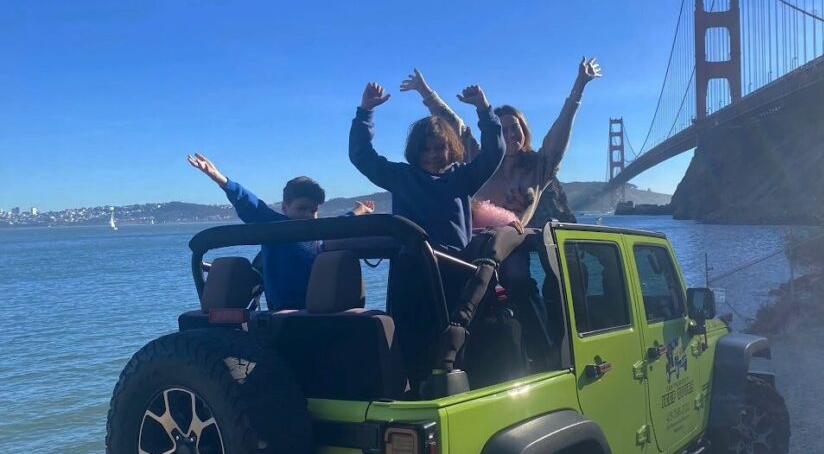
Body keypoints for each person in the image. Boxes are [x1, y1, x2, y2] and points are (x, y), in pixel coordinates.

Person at [407, 56, 602, 227]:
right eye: (502, 130)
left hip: (513, 250)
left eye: (515, 128)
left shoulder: (538, 168)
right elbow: (455, 127)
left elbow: (559, 135)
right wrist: (425, 91)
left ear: (524, 131)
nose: (509, 135)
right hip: (471, 249)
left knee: (515, 269)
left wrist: (580, 85)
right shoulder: (481, 160)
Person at [186, 153, 373, 310]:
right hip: (283, 308)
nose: (308, 214)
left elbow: (341, 224)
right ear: (285, 207)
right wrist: (221, 180)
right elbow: (253, 207)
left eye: (313, 210)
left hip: (317, 306)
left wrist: (359, 211)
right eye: (301, 208)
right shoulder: (277, 227)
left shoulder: (319, 230)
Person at [348, 81, 504, 252]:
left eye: (439, 148)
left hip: (456, 269)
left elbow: (494, 152)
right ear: (415, 151)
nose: (432, 155)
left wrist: (483, 108)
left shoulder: (463, 177)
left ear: (451, 148)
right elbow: (361, 155)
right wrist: (365, 112)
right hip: (412, 269)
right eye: (425, 149)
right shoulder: (401, 177)